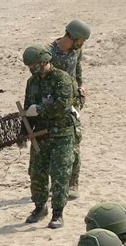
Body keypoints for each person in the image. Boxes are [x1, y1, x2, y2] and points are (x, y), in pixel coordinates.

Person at [21, 44, 75, 229]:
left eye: (35, 65)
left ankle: (58, 214)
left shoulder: (62, 79)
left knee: (60, 174)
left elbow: (63, 106)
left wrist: (41, 109)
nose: (33, 69)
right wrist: (24, 130)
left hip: (61, 134)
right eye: (30, 67)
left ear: (45, 61)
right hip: (40, 135)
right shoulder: (32, 82)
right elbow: (28, 108)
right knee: (37, 173)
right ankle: (39, 207)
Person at [46, 19, 91, 200]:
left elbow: (77, 70)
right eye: (82, 40)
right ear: (73, 37)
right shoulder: (48, 52)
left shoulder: (77, 50)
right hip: (52, 104)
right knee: (50, 144)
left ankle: (73, 183)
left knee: (74, 143)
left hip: (72, 103)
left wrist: (81, 87)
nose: (83, 44)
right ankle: (54, 183)